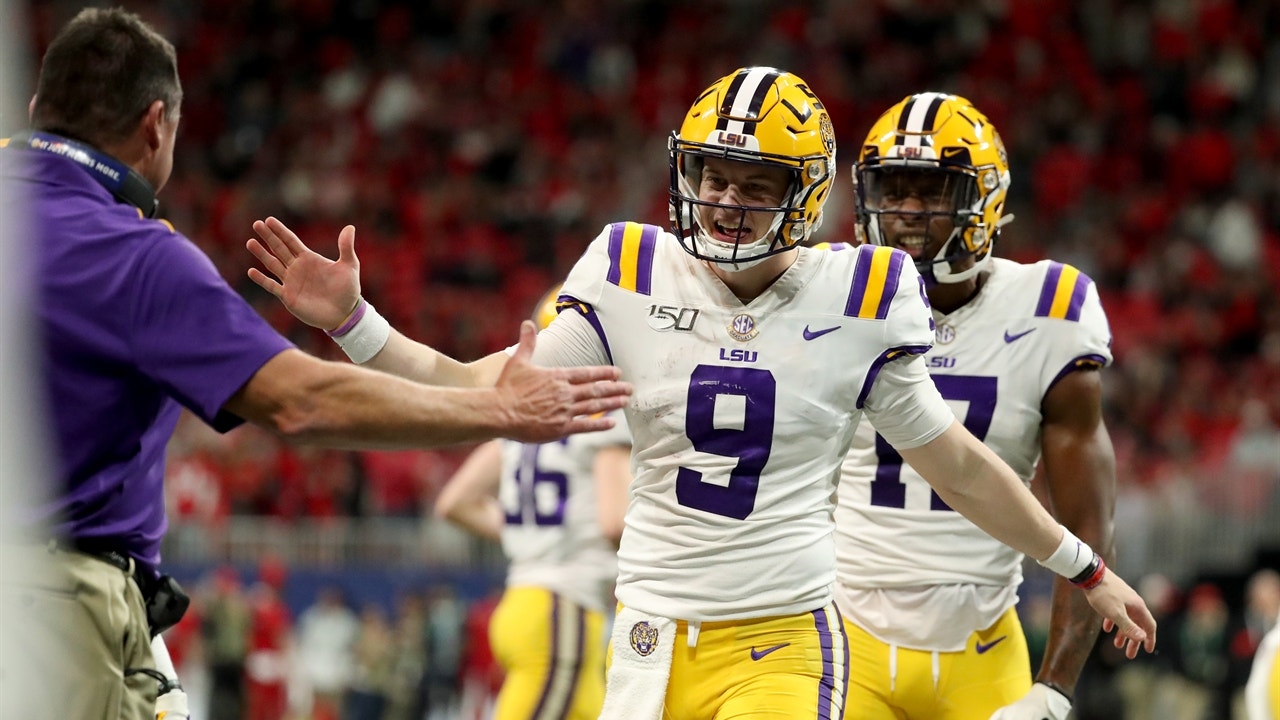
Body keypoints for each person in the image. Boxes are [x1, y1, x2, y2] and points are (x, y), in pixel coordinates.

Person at [246, 66, 1156, 720]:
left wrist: (1083, 565)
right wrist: (358, 320)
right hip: (647, 630)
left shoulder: (862, 294)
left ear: (802, 196)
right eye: (712, 176)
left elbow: (956, 460)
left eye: (753, 185)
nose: (723, 202)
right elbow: (474, 385)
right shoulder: (629, 267)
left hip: (788, 634)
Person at [0, 8, 630, 720]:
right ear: (156, 126)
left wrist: (358, 324)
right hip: (51, 598)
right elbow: (300, 400)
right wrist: (499, 412)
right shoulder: (130, 253)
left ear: (33, 109)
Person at [826, 91, 1116, 720]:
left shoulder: (1050, 309)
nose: (904, 213)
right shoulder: (829, 293)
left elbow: (1088, 525)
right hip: (843, 636)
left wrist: (1053, 693)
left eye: (931, 193)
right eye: (891, 191)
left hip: (981, 643)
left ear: (985, 200)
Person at [434, 284, 633, 720]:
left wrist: (531, 535)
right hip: (563, 609)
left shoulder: (524, 416)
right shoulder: (604, 409)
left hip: (526, 602)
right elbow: (614, 522)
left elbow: (455, 502)